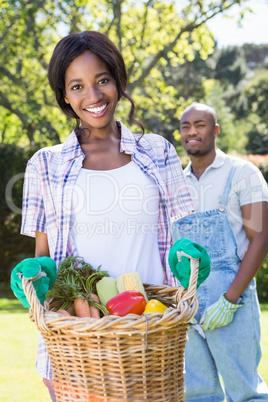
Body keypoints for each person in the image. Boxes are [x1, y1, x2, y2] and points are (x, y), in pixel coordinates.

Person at [14, 31, 194, 400]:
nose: (93, 97)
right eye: (77, 86)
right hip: (78, 345)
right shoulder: (44, 164)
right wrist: (33, 280)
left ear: (117, 81)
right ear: (65, 96)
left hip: (150, 338)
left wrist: (191, 258)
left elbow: (182, 239)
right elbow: (44, 258)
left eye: (102, 81)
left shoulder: (157, 152)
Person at [172, 102, 268, 401]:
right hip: (188, 305)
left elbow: (261, 237)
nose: (192, 132)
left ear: (215, 130)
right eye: (185, 126)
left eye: (200, 125)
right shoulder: (175, 182)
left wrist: (230, 299)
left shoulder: (242, 173)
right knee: (199, 393)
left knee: (246, 392)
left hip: (232, 300)